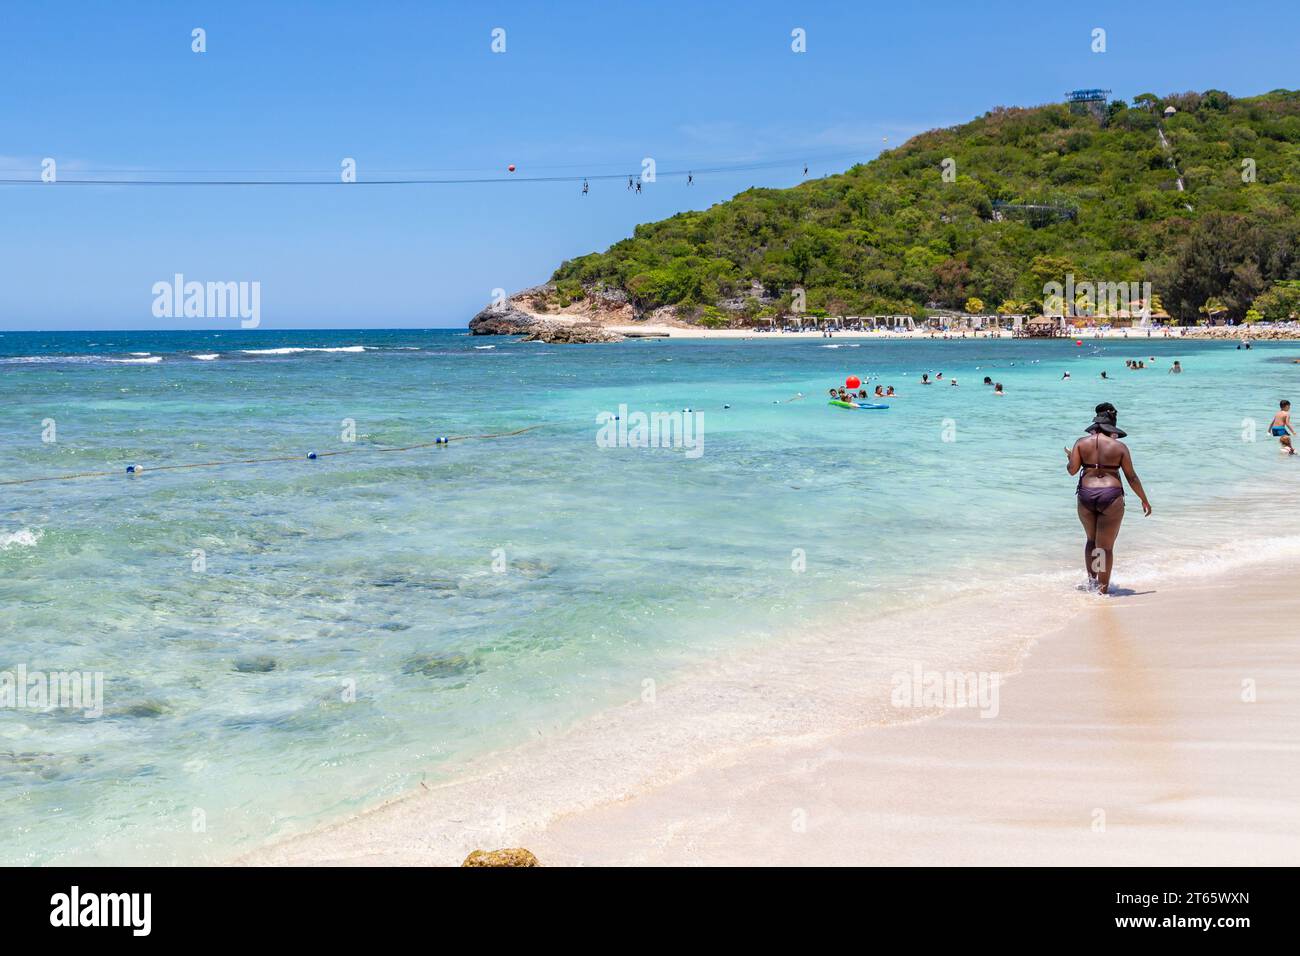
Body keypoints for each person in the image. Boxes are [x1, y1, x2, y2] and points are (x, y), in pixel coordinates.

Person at [1065, 403, 1152, 594]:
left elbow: (1072, 470)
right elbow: (1132, 477)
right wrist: (1144, 499)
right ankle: (1102, 592)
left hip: (1086, 494)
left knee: (1091, 540)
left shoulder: (1081, 443)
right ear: (1112, 424)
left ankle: (1092, 583)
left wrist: (1071, 458)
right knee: (1105, 547)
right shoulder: (1119, 447)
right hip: (1111, 496)